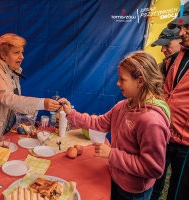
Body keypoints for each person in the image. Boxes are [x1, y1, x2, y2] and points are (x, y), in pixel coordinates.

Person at [59, 51, 171, 200]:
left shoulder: (152, 121)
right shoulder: (122, 106)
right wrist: (70, 113)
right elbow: (98, 123)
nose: (118, 83)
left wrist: (112, 154)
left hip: (134, 192)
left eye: (122, 79)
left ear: (140, 81)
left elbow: (153, 168)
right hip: (116, 178)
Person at [0, 33, 61, 143]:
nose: (22, 56)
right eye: (16, 52)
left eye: (22, 52)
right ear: (3, 55)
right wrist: (42, 103)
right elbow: (8, 99)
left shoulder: (11, 72)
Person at [151, 2, 189, 200]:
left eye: (186, 27)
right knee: (155, 183)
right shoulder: (173, 59)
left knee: (177, 192)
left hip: (186, 142)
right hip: (164, 134)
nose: (182, 32)